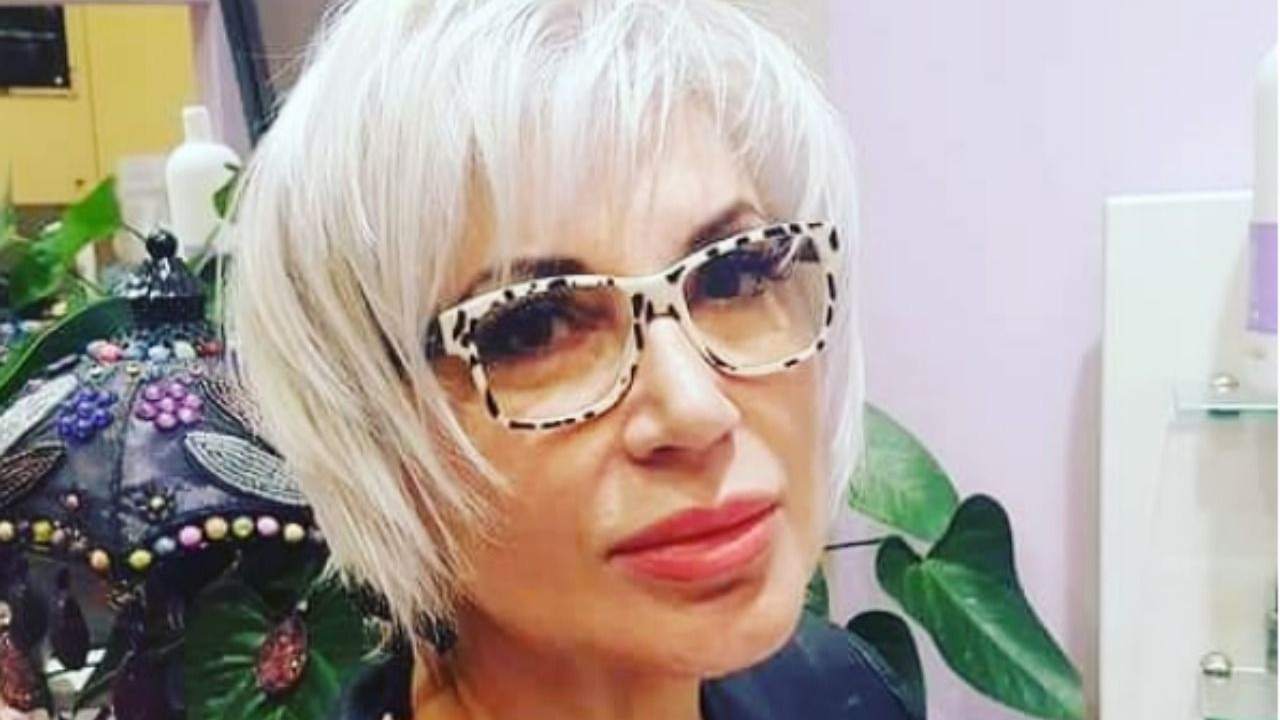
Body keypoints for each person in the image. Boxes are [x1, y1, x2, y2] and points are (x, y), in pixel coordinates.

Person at [228, 1, 914, 718]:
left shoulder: (840, 693)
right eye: (535, 327)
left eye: (732, 275)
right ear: (370, 425)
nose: (695, 409)